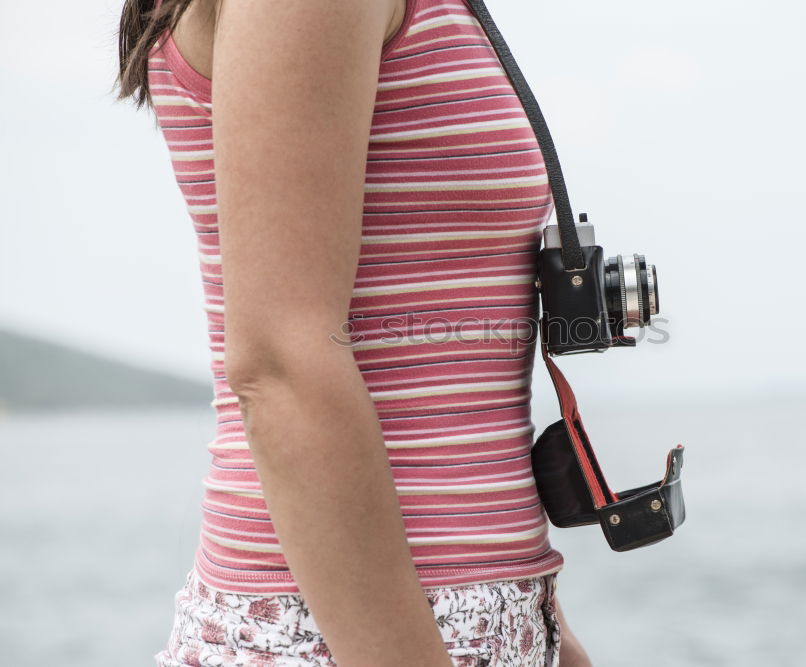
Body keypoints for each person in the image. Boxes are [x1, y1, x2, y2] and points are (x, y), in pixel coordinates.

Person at [115, 0, 594, 665]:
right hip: (337, 636)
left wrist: (548, 633)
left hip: (453, 624)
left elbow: (441, 377)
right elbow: (282, 368)